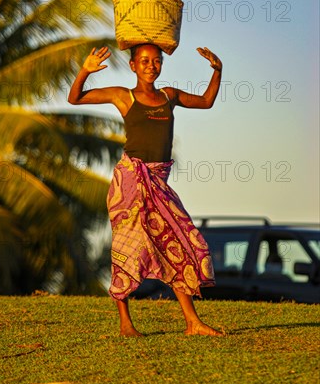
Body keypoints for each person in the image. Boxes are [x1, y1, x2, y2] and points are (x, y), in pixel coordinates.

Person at [68, 43, 224, 337]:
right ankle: (126, 323)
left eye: (156, 61)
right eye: (144, 61)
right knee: (128, 249)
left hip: (158, 182)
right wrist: (85, 70)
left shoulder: (169, 96)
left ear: (161, 65)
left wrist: (217, 71)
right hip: (131, 181)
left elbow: (206, 101)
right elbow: (75, 98)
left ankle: (193, 322)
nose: (151, 66)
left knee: (183, 241)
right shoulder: (122, 96)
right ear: (133, 66)